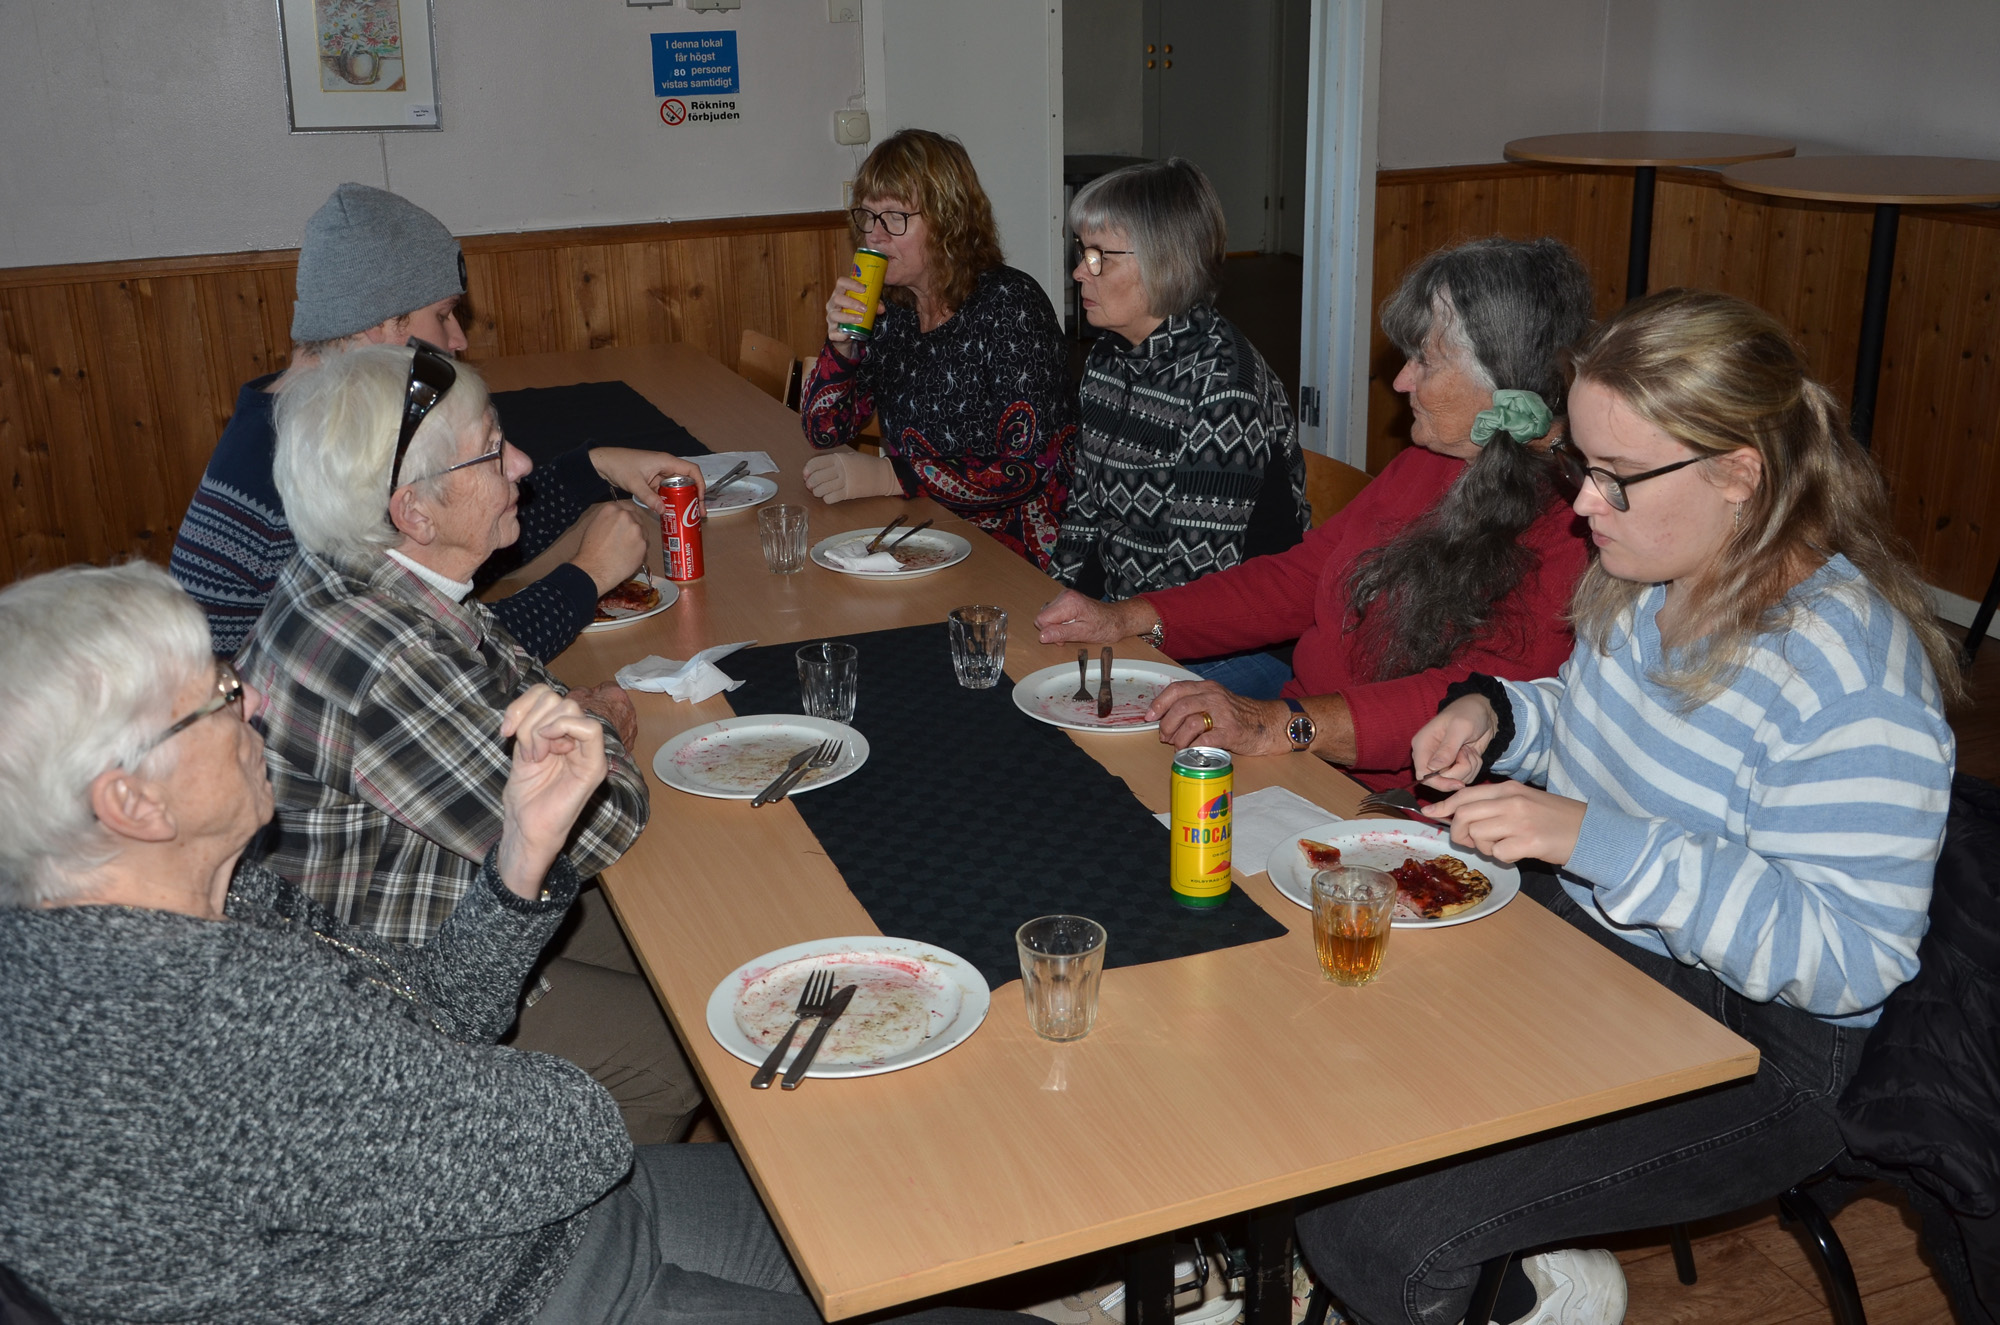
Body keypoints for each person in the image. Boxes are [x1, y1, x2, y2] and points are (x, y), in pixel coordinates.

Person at [0, 561, 1034, 1325]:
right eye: (218, 698)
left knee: (908, 1213)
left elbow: (432, 1019)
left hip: (534, 1234)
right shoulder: (210, 1018)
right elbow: (567, 1131)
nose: (256, 697)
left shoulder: (150, 930)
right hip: (525, 1293)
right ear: (130, 799)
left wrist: (520, 855)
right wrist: (464, 1084)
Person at [1295, 289, 1961, 1325]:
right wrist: (1498, 714)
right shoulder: (1649, 578)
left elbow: (1846, 956)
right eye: (1581, 468)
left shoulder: (1847, 675)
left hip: (1767, 1048)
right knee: (1320, 1045)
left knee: (1376, 1226)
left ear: (1739, 473)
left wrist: (1588, 838)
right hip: (1611, 949)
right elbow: (1593, 720)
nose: (1581, 506)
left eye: (1614, 478)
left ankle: (1530, 1292)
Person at [235, 342, 701, 1144]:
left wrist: (564, 719)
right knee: (675, 1047)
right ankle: (584, 1234)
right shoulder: (384, 657)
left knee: (697, 935)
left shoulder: (362, 573)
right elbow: (597, 819)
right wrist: (599, 734)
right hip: (388, 1001)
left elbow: (511, 678)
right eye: (492, 450)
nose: (520, 462)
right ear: (414, 511)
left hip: (434, 899)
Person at [1036, 237, 1594, 789]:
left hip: (1393, 799)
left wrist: (1278, 725)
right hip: (1302, 745)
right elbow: (1301, 580)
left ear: (1499, 383)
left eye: (1425, 359)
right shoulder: (1433, 461)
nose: (1401, 381)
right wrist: (1133, 617)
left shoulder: (1574, 526)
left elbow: (1472, 696)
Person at [168, 181, 703, 662]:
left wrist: (596, 467)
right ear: (380, 324)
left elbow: (457, 536)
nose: (457, 341)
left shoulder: (293, 419)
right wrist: (586, 580)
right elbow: (446, 657)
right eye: (443, 314)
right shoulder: (310, 473)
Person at [799, 129, 1075, 570]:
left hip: (1015, 552)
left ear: (949, 222)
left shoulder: (1010, 306)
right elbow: (824, 429)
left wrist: (894, 475)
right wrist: (843, 346)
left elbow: (1026, 470)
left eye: (895, 217)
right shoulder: (895, 311)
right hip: (925, 533)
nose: (875, 234)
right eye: (867, 215)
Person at [1048, 158, 1309, 618]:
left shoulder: (1223, 390)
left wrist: (1110, 627)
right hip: (1129, 615)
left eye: (1098, 257)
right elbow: (1084, 515)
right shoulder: (1108, 357)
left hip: (1227, 639)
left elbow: (1198, 592)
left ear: (1162, 263)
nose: (1079, 273)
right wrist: (1052, 602)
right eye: (1081, 252)